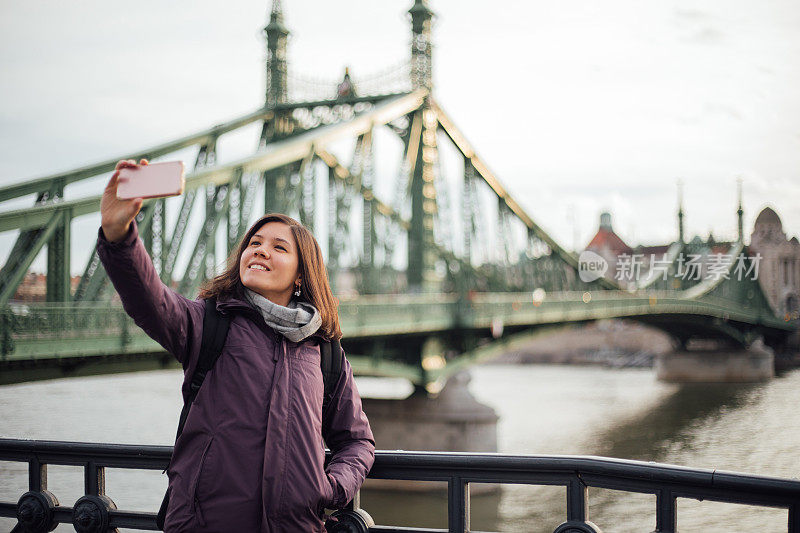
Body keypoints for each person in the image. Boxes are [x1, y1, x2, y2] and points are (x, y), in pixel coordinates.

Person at [97, 159, 375, 532]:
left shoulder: (324, 352)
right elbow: (151, 300)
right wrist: (119, 235)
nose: (260, 250)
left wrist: (331, 488)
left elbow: (356, 441)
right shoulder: (208, 324)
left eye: (279, 247)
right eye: (254, 243)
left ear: (300, 275)